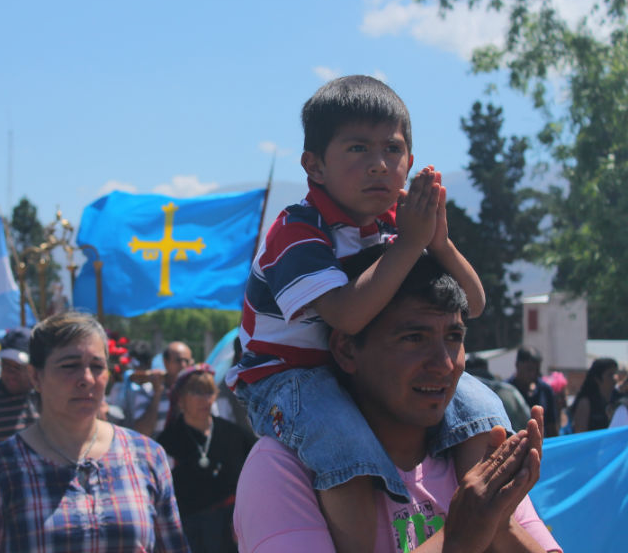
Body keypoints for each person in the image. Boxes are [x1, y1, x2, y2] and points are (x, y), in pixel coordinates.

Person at [226, 75, 509, 551]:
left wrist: (438, 242)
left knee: (483, 408)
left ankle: (488, 519)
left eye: (393, 150)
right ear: (313, 165)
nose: (380, 165)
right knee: (345, 451)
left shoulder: (397, 225)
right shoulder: (296, 231)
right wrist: (415, 243)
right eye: (358, 149)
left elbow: (473, 304)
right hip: (287, 380)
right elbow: (347, 317)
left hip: (353, 370)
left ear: (411, 163)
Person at [234, 254, 562, 553]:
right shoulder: (280, 470)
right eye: (413, 338)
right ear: (347, 350)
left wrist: (501, 525)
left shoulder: (477, 455)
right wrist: (457, 539)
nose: (444, 364)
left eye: (453, 337)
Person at [0, 311, 188, 552]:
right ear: (36, 376)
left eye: (97, 366)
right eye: (70, 366)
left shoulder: (146, 456)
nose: (86, 379)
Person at [158, 365, 256, 553]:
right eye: (197, 392)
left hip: (230, 531)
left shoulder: (234, 434)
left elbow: (254, 480)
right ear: (180, 399)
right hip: (188, 533)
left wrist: (244, 520)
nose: (205, 399)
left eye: (209, 392)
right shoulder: (168, 441)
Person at [131, 341, 194, 437]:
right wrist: (157, 394)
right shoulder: (147, 391)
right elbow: (142, 431)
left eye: (187, 361)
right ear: (165, 362)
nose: (183, 365)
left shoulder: (197, 391)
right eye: (178, 360)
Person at [508, 346, 558, 437]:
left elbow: (552, 426)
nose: (533, 374)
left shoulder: (546, 390)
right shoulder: (506, 391)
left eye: (537, 370)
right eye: (529, 369)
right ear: (517, 365)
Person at [570, 357, 619, 432]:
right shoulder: (586, 403)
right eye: (610, 375)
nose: (615, 379)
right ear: (597, 379)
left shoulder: (616, 401)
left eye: (615, 374)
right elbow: (580, 434)